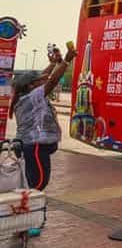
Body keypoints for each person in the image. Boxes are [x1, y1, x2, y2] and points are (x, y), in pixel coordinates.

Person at [12, 44, 77, 193]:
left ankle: (29, 208)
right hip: (34, 146)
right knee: (38, 183)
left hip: (32, 145)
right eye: (38, 82)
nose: (42, 81)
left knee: (34, 182)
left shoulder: (26, 94)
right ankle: (28, 209)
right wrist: (66, 61)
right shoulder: (29, 99)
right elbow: (52, 81)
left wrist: (54, 63)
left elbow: (43, 76)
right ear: (30, 86)